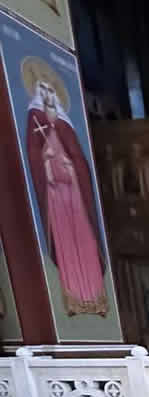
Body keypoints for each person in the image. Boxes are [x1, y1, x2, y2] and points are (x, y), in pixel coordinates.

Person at [26, 77, 107, 316]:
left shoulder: (65, 124)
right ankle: (75, 299)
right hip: (55, 197)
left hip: (74, 196)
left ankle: (94, 297)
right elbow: (34, 156)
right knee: (66, 243)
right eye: (43, 90)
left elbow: (78, 159)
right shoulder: (34, 120)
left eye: (51, 90)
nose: (48, 95)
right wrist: (48, 164)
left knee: (84, 239)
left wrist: (70, 166)